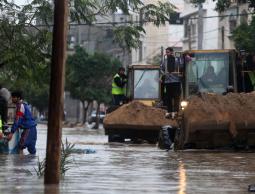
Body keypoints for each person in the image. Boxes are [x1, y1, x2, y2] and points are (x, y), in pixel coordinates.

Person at [161, 47, 182, 119]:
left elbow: (181, 66)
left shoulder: (177, 60)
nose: (167, 53)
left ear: (172, 52)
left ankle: (176, 111)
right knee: (168, 97)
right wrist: (164, 74)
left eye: (168, 52)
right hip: (168, 82)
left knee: (176, 97)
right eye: (166, 52)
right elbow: (161, 68)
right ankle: (169, 111)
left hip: (176, 81)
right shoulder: (165, 61)